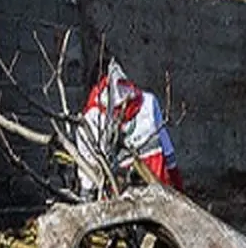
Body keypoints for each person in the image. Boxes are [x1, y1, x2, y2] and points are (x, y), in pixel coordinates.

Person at [78, 60, 184, 197]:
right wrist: (179, 190)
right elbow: (168, 153)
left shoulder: (91, 117)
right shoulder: (148, 100)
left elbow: (89, 175)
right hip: (157, 190)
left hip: (116, 198)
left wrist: (85, 199)